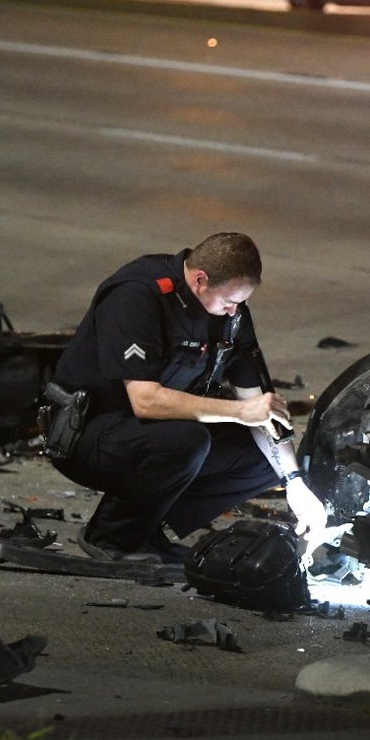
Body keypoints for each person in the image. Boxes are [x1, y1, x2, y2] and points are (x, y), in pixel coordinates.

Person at [45, 232, 327, 564]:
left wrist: (294, 484)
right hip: (89, 433)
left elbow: (258, 406)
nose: (234, 310)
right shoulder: (138, 295)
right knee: (186, 441)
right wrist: (239, 411)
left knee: (263, 454)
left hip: (157, 436)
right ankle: (111, 536)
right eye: (228, 301)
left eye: (241, 302)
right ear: (200, 280)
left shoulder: (232, 316)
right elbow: (145, 402)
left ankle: (146, 526)